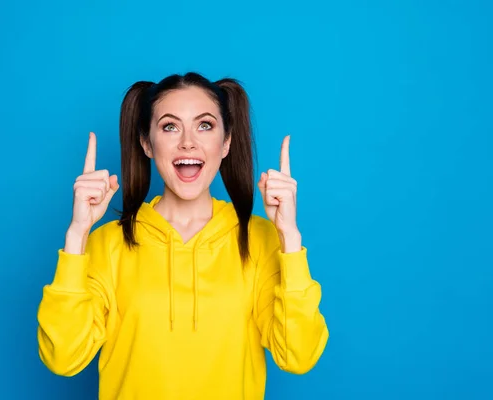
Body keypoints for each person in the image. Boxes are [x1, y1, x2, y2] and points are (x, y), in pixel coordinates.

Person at [36, 72, 329, 399]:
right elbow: (63, 358)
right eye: (169, 126)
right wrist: (77, 234)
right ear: (146, 143)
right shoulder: (107, 243)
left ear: (227, 142)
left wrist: (289, 237)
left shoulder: (260, 239)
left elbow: (299, 356)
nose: (188, 141)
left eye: (205, 125)